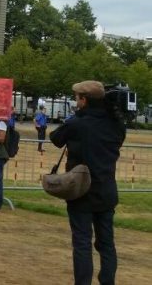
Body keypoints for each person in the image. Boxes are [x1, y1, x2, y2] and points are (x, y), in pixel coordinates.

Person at [50, 81, 125, 285]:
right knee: (107, 243)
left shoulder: (77, 123)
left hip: (81, 190)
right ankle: (107, 281)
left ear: (83, 100)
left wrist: (77, 117)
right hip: (107, 191)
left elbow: (55, 138)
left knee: (82, 242)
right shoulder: (116, 124)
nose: (76, 101)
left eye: (77, 98)